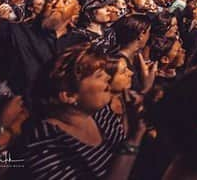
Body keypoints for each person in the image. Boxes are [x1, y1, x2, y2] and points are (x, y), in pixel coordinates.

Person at [18, 43, 145, 180]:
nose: (109, 78)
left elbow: (121, 155)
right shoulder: (44, 145)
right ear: (69, 95)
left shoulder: (101, 113)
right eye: (99, 75)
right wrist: (134, 139)